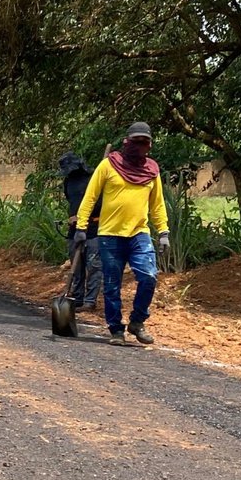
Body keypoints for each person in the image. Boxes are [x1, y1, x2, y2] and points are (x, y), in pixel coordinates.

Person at [72, 122, 170, 345]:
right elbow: (90, 197)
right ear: (126, 142)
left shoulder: (152, 171)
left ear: (150, 145)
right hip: (110, 235)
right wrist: (81, 227)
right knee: (112, 284)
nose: (139, 146)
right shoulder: (108, 165)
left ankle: (137, 321)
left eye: (144, 142)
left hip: (139, 234)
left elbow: (157, 205)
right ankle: (116, 329)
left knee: (148, 276)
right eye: (136, 141)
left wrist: (163, 232)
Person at [59, 151, 101, 310]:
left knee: (94, 266)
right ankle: (77, 297)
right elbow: (71, 200)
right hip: (74, 230)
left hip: (93, 228)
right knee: (76, 266)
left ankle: (90, 300)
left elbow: (100, 203)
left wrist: (83, 217)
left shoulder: (94, 179)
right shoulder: (68, 181)